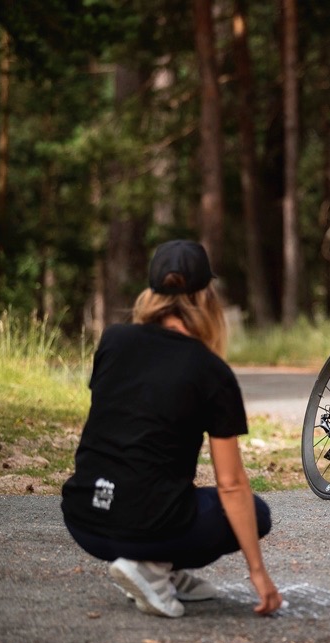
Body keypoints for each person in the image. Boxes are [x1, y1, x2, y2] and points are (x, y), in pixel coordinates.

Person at [61, 240, 282, 618]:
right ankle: (150, 566)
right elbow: (231, 483)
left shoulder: (113, 341)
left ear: (152, 294)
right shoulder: (211, 371)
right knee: (255, 512)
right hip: (145, 524)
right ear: (205, 296)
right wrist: (258, 573)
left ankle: (161, 568)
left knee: (158, 487)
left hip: (84, 516)